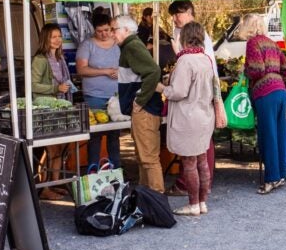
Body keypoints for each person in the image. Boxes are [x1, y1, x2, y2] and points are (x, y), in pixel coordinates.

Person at [156, 22, 219, 216]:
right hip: (204, 115)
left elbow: (179, 92)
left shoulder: (185, 60)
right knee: (202, 162)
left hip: (188, 117)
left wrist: (161, 88)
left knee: (190, 163)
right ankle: (202, 202)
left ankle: (193, 204)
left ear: (184, 38)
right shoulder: (205, 58)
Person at [164, 0, 217, 197]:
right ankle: (203, 193)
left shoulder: (195, 37)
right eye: (173, 15)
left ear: (190, 12)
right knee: (202, 151)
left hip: (195, 100)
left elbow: (180, 90)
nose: (175, 18)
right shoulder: (188, 34)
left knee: (195, 153)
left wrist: (163, 88)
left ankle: (193, 196)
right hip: (203, 97)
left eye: (179, 13)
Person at [112, 14, 164, 193]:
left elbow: (153, 71)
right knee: (143, 157)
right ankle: (147, 198)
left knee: (148, 158)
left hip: (146, 110)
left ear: (126, 30)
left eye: (114, 30)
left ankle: (157, 200)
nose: (112, 34)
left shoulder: (132, 45)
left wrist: (140, 101)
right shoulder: (130, 46)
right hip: (144, 110)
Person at [241, 13, 286, 194]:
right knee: (278, 134)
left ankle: (271, 179)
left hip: (265, 92)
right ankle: (280, 174)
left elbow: (257, 70)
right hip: (280, 91)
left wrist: (245, 70)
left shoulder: (253, 43)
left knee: (267, 136)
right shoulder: (272, 43)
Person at [31, 23, 72, 200]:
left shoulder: (60, 57)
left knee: (61, 149)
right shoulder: (40, 59)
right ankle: (45, 187)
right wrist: (56, 88)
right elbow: (33, 85)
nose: (57, 40)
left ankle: (55, 184)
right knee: (52, 148)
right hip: (47, 109)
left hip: (61, 106)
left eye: (59, 36)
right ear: (45, 39)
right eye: (53, 36)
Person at [76, 14, 121, 169]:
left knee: (114, 135)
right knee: (94, 136)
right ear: (94, 30)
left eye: (107, 30)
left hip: (116, 96)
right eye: (100, 31)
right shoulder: (87, 45)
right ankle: (93, 170)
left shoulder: (118, 43)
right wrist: (105, 71)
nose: (104, 34)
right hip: (94, 96)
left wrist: (120, 72)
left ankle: (116, 170)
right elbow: (81, 69)